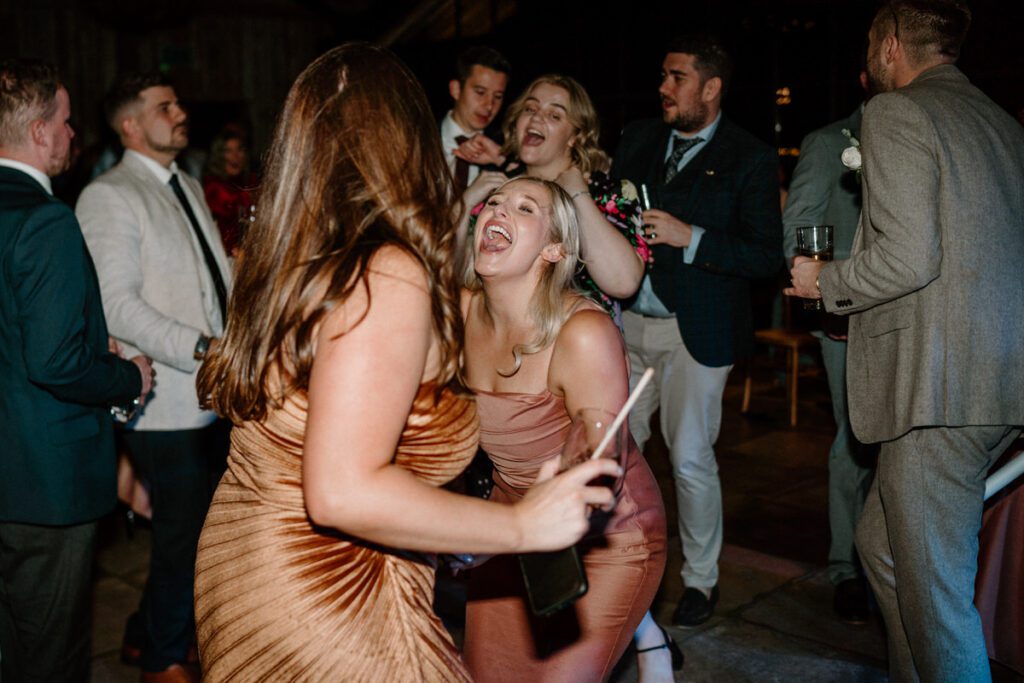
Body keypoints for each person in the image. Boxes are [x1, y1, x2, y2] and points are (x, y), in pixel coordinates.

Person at [191, 43, 620, 681]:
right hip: (326, 588)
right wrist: (520, 525)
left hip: (241, 557)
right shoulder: (385, 271)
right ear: (400, 139)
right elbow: (343, 489)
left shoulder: (283, 253)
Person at [786, 1, 1024, 679]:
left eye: (868, 43)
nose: (866, 57)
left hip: (937, 390)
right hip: (1001, 384)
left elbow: (908, 257)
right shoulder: (1005, 124)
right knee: (883, 550)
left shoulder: (894, 111)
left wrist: (823, 279)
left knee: (940, 602)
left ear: (890, 45)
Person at [461, 176, 667, 681]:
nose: (499, 212)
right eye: (494, 203)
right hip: (511, 521)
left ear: (555, 248)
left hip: (607, 538)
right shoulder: (461, 309)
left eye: (525, 208)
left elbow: (601, 475)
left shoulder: (584, 332)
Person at [612, 35, 783, 627]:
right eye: (663, 74)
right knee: (615, 451)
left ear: (711, 88)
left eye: (677, 77)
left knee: (688, 458)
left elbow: (767, 255)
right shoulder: (636, 140)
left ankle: (700, 582)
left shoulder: (751, 157)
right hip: (627, 324)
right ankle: (618, 564)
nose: (664, 87)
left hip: (697, 335)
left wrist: (694, 239)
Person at [0, 58, 153, 682]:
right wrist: (128, 377)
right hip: (44, 483)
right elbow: (55, 362)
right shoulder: (46, 219)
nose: (72, 135)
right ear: (39, 132)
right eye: (65, 122)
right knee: (51, 658)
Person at [76, 72, 233, 681]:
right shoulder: (108, 195)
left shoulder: (188, 184)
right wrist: (203, 347)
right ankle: (165, 659)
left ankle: (147, 635)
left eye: (178, 100)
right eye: (164, 105)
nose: (180, 109)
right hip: (164, 398)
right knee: (181, 540)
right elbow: (117, 305)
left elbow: (211, 280)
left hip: (209, 393)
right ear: (131, 125)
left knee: (192, 532)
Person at [781, 73, 875, 625]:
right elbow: (800, 231)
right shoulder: (829, 141)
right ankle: (847, 569)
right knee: (855, 442)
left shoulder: (921, 136)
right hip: (848, 323)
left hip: (916, 323)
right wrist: (828, 305)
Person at [457, 74, 648, 315]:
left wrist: (578, 195)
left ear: (575, 136)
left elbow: (624, 283)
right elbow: (457, 275)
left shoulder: (607, 193)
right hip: (499, 337)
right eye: (530, 108)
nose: (536, 117)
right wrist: (464, 205)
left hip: (582, 343)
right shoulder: (497, 193)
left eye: (554, 115)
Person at [441, 46, 510, 196]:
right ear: (456, 89)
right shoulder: (421, 138)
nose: (489, 105)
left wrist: (502, 160)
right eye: (480, 92)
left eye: (497, 96)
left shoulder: (505, 150)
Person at [202, 127, 256, 256]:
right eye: (228, 151)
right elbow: (228, 205)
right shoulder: (212, 185)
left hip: (250, 252)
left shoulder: (251, 180)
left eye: (239, 149)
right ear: (219, 156)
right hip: (223, 255)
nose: (235, 156)